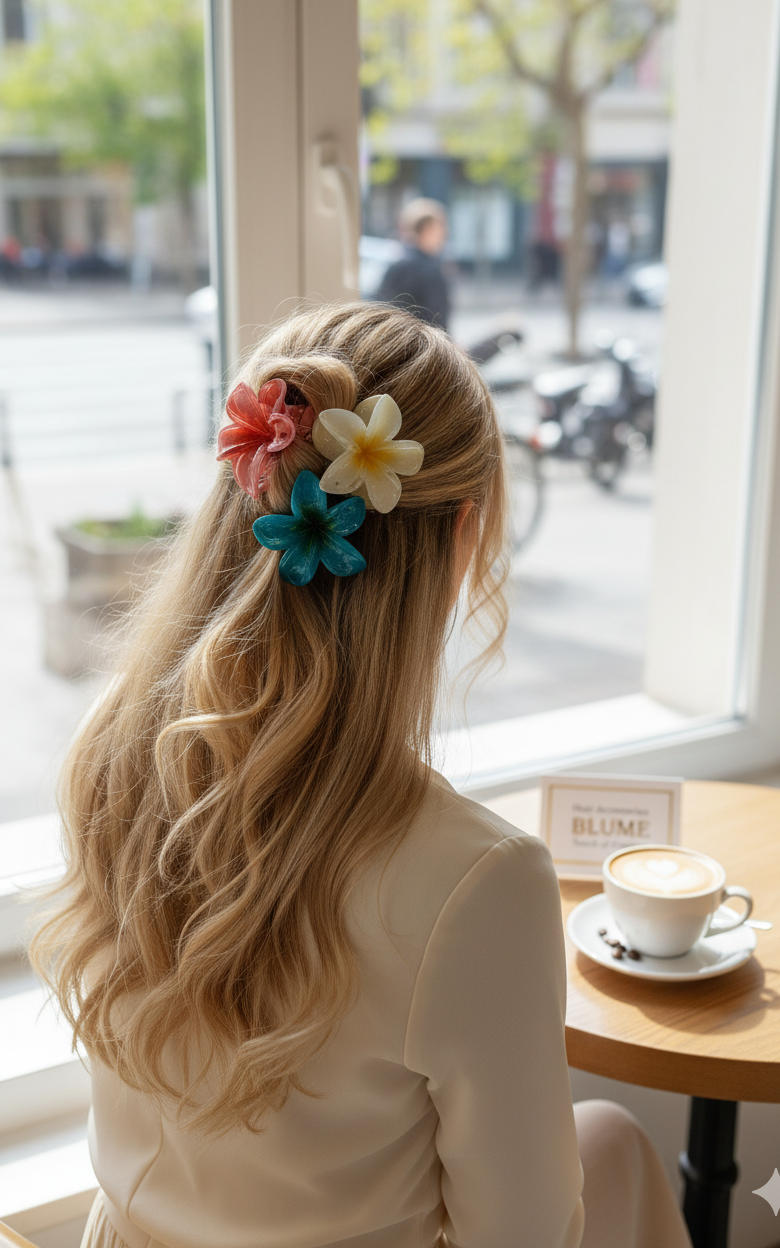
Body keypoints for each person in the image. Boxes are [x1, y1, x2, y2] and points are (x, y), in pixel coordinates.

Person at [31, 303, 691, 1248]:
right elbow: (524, 1236)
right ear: (461, 540)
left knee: (614, 1142)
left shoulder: (110, 754)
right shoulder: (478, 881)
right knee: (617, 1145)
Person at [375, 198, 450, 331]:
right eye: (440, 229)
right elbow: (438, 322)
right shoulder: (429, 270)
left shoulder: (395, 264)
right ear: (427, 229)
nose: (444, 236)